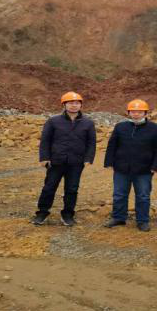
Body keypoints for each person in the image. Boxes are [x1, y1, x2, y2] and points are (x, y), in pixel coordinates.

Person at [32, 91, 96, 227]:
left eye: (77, 103)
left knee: (72, 189)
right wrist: (44, 157)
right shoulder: (53, 121)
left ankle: (68, 214)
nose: (74, 105)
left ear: (81, 105)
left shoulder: (88, 123)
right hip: (56, 161)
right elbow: (45, 140)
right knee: (49, 187)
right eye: (70, 103)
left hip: (76, 162)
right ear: (64, 105)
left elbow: (91, 143)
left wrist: (88, 158)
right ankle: (42, 213)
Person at [103, 99, 157, 232]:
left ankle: (142, 221)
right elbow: (112, 145)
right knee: (119, 194)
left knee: (143, 196)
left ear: (145, 113)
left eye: (139, 112)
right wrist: (108, 162)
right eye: (133, 111)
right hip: (121, 168)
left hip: (144, 169)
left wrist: (156, 166)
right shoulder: (120, 127)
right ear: (128, 113)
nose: (136, 114)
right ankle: (118, 217)